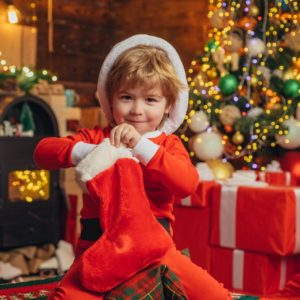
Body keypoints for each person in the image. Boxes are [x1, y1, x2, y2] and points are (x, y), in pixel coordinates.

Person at [34, 34, 231, 300]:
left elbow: (186, 184)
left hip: (157, 254)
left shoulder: (167, 144)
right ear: (110, 100)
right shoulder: (96, 137)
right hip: (97, 248)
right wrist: (95, 153)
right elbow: (42, 152)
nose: (137, 110)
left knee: (215, 296)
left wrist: (141, 146)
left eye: (151, 100)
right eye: (127, 97)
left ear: (168, 106)